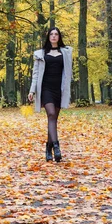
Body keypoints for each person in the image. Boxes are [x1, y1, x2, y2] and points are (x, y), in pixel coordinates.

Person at [28, 27, 73, 162]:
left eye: (56, 34)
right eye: (51, 34)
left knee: (52, 120)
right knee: (51, 114)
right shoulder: (41, 54)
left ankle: (48, 148)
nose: (53, 36)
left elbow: (68, 72)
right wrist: (32, 90)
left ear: (59, 37)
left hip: (58, 89)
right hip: (46, 88)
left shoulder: (65, 52)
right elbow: (35, 74)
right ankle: (56, 147)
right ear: (48, 37)